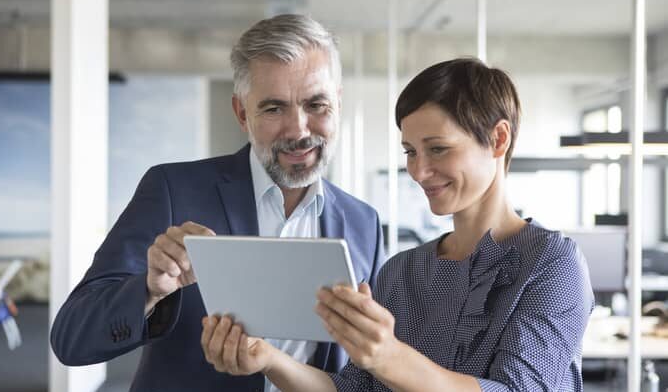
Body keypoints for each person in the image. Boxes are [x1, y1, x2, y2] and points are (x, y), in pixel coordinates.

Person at [200, 58, 595, 391]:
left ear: (498, 139)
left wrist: (388, 356)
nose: (419, 171)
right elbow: (351, 389)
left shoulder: (551, 263)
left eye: (438, 148)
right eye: (410, 151)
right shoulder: (403, 271)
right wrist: (268, 358)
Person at [49, 14, 386, 392]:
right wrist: (150, 290)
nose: (299, 130)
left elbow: (364, 372)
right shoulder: (172, 191)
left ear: (337, 104)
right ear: (242, 113)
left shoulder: (364, 223)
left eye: (316, 105)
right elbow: (71, 339)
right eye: (274, 108)